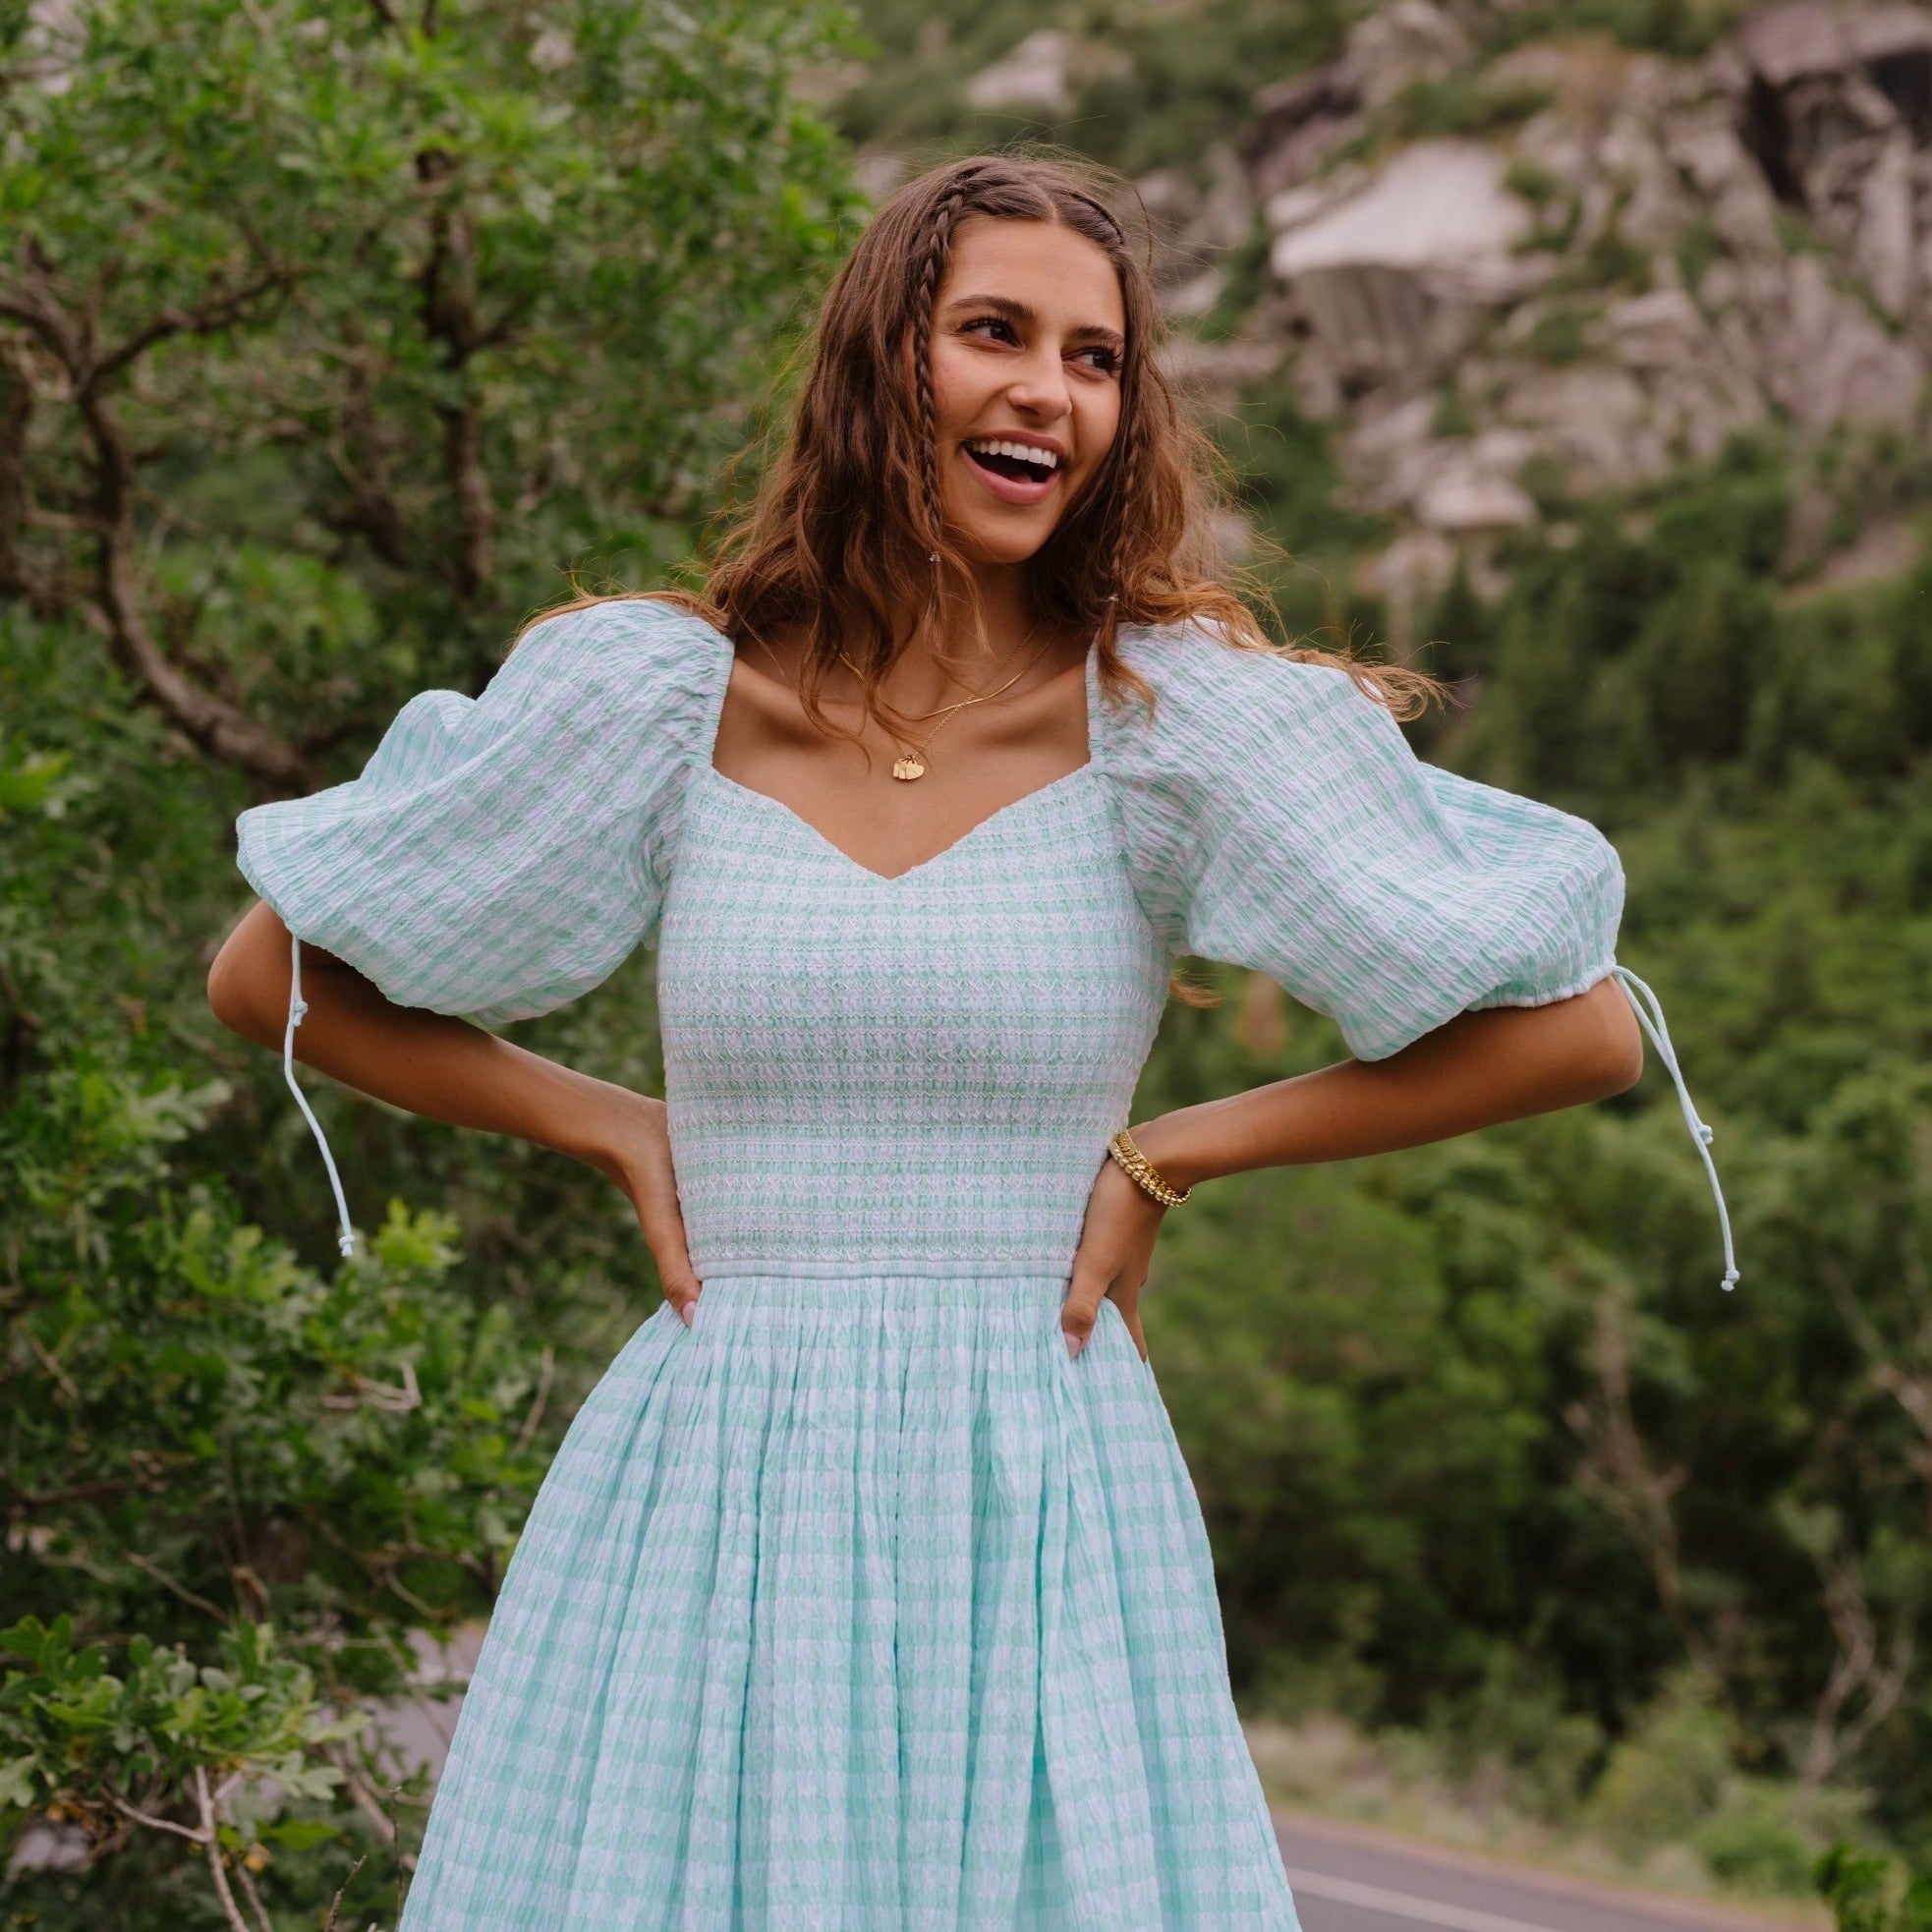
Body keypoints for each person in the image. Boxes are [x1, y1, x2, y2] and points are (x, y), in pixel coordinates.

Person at [207, 151, 1737, 1932]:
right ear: (884, 363)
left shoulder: (1169, 727)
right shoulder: (661, 699)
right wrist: (612, 1122)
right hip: (719, 1478)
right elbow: (272, 970)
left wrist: (1171, 1153)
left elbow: (1579, 1030)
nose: (1048, 393)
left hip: (1038, 1474)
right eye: (993, 333)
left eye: (1095, 360)